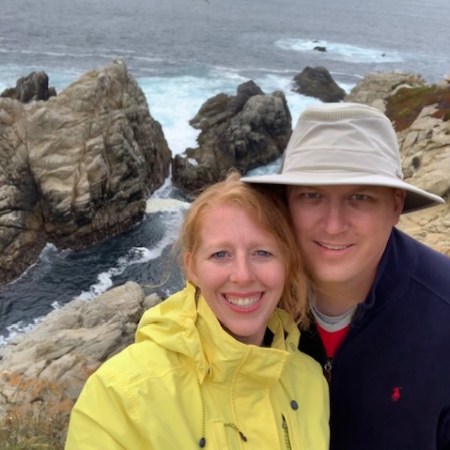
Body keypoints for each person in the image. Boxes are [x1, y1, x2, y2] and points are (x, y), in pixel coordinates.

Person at [65, 172, 330, 449]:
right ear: (192, 268)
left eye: (262, 253)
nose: (242, 275)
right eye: (220, 254)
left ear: (287, 263)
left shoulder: (310, 383)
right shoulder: (119, 398)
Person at [242, 102, 450, 450]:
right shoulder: (245, 296)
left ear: (395, 205)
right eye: (312, 196)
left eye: (360, 197)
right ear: (285, 203)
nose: (334, 225)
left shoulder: (443, 314)